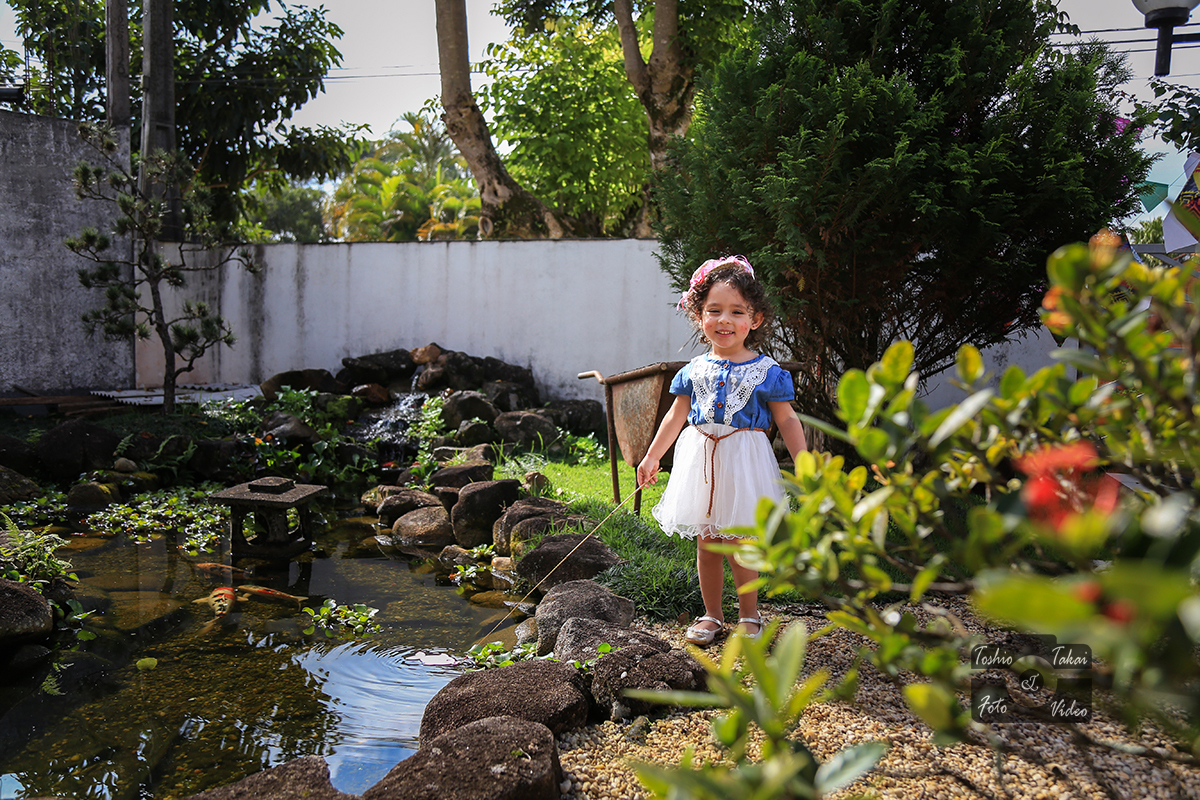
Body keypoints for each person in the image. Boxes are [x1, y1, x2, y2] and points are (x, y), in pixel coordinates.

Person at [636, 255, 807, 645]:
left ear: (755, 319)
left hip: (744, 461)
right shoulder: (693, 370)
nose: (724, 320)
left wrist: (804, 462)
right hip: (701, 461)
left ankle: (750, 616)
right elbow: (675, 417)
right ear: (699, 316)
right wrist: (651, 457)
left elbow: (788, 421)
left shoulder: (767, 372)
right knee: (708, 541)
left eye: (736, 312)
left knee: (740, 541)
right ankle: (712, 614)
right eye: (714, 311)